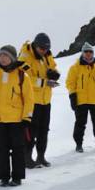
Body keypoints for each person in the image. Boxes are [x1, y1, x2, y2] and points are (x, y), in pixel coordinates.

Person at [18, 32, 60, 168]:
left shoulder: (47, 55)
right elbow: (25, 78)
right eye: (41, 48)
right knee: (31, 129)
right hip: (32, 100)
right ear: (35, 45)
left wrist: (55, 74)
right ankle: (27, 157)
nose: (44, 51)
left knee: (44, 129)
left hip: (46, 99)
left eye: (46, 49)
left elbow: (53, 67)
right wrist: (45, 82)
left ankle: (41, 156)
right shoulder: (25, 56)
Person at [0, 45, 34, 186]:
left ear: (12, 57)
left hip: (17, 120)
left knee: (18, 149)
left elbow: (29, 99)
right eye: (0, 55)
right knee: (1, 150)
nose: (2, 58)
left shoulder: (22, 75)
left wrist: (27, 118)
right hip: (0, 120)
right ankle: (4, 177)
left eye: (5, 56)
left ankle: (17, 177)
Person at [65, 42, 95, 152]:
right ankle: (78, 144)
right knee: (80, 123)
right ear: (82, 53)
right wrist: (72, 96)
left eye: (90, 52)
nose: (88, 54)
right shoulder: (75, 68)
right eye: (86, 52)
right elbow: (70, 82)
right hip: (81, 100)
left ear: (93, 53)